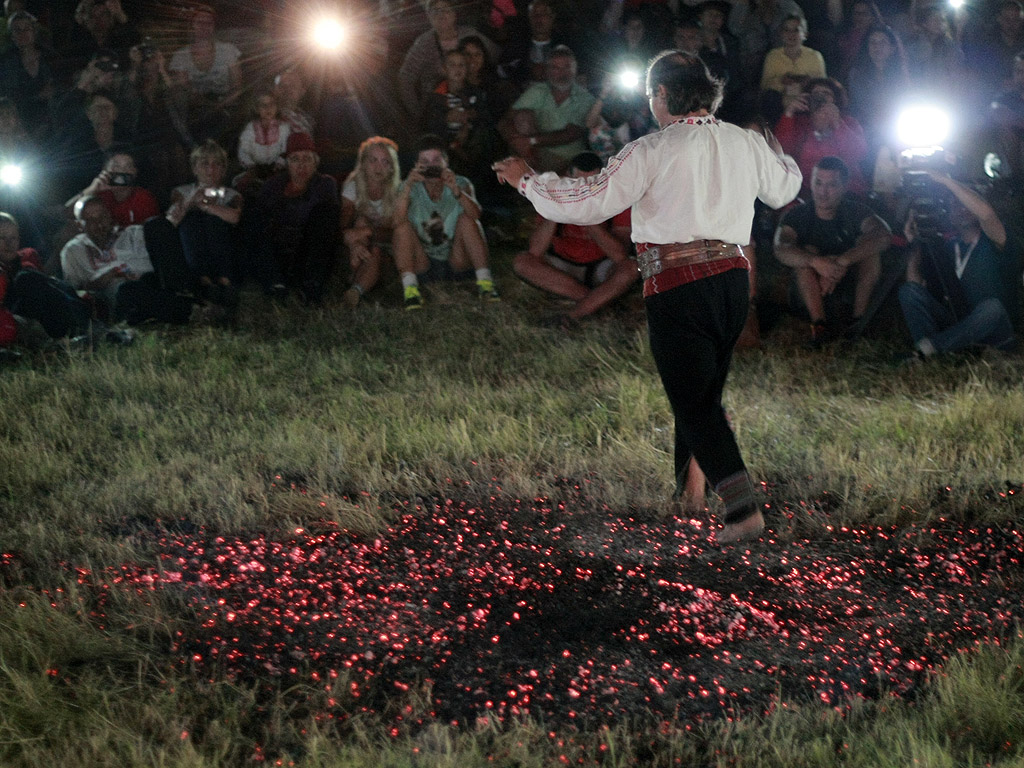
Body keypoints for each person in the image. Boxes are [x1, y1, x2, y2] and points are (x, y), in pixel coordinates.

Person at [493, 51, 802, 543]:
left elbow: (587, 199)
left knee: (694, 400)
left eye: (650, 95)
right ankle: (690, 495)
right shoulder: (743, 142)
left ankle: (742, 509)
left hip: (680, 286)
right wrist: (775, 148)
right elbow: (786, 188)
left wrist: (526, 180)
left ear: (660, 95)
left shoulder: (652, 150)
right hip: (730, 284)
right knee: (702, 394)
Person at [898, 169, 1020, 359]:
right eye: (954, 205)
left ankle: (927, 351)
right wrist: (915, 243)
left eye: (965, 204)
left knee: (992, 308)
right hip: (959, 324)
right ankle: (931, 353)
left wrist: (947, 181)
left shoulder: (995, 241)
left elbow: (987, 215)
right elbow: (915, 283)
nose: (961, 209)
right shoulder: (947, 247)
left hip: (995, 329)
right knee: (908, 291)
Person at [774, 156, 892, 345]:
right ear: (810, 183)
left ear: (845, 186)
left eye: (831, 185)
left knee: (870, 252)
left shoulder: (855, 211)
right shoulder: (797, 215)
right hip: (807, 292)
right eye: (818, 183)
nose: (823, 192)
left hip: (848, 288)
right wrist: (817, 262)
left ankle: (858, 323)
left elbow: (883, 235)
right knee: (805, 254)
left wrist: (841, 262)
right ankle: (820, 326)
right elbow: (781, 248)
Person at [512, 151, 636, 320]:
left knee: (630, 268)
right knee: (522, 262)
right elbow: (535, 250)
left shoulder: (616, 199)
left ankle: (575, 314)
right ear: (568, 177)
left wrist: (584, 214)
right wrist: (558, 207)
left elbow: (620, 255)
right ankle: (594, 301)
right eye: (578, 182)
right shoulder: (554, 192)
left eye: (590, 183)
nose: (583, 187)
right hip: (563, 268)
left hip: (600, 267)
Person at [394, 133, 498, 310]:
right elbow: (396, 222)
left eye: (436, 160)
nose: (431, 166)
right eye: (425, 162)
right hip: (423, 263)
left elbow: (476, 215)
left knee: (467, 218)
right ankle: (410, 291)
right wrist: (408, 188)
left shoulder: (461, 183)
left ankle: (485, 284)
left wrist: (456, 190)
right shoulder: (409, 187)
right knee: (402, 228)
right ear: (416, 166)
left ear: (446, 162)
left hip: (456, 261)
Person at [60, 194, 194, 324]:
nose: (99, 224)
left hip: (149, 283)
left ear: (109, 215)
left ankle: (183, 295)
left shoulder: (132, 234)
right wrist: (101, 280)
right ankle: (189, 308)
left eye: (103, 217)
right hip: (116, 298)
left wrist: (119, 269)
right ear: (79, 225)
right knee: (128, 290)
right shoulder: (72, 251)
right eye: (91, 220)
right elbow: (73, 292)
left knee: (155, 225)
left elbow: (160, 262)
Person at [249, 132, 340, 304]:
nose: (301, 165)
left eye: (307, 159)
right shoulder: (274, 185)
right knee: (255, 215)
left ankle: (311, 284)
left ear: (315, 162)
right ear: (288, 163)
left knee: (325, 213)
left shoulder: (324, 184)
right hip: (278, 250)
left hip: (306, 251)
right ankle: (274, 282)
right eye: (295, 159)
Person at [165, 139, 241, 311]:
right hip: (192, 247)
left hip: (222, 247)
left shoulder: (231, 194)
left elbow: (234, 217)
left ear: (223, 169)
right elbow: (171, 220)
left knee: (214, 221)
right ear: (195, 168)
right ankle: (203, 281)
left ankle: (225, 281)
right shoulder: (181, 191)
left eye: (217, 165)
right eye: (205, 164)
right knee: (191, 221)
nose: (210, 170)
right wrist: (192, 200)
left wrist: (206, 206)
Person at [498, 45, 596, 174]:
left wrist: (531, 141)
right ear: (547, 70)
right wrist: (516, 140)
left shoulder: (585, 98)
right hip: (536, 154)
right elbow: (505, 121)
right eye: (555, 68)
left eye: (567, 67)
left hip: (571, 160)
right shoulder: (538, 91)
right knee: (522, 116)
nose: (562, 73)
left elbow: (571, 134)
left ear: (575, 69)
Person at [340, 136, 402, 308]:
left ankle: (356, 284)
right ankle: (355, 291)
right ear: (364, 164)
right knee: (360, 220)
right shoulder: (353, 186)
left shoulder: (398, 191)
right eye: (373, 160)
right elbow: (343, 227)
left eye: (385, 162)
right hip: (360, 249)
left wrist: (367, 232)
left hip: (388, 252)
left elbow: (397, 233)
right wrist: (354, 244)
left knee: (372, 244)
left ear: (391, 168)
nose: (378, 167)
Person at [64, 148, 159, 227]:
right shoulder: (99, 194)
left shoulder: (144, 199)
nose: (122, 171)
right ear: (105, 170)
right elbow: (67, 212)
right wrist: (91, 189)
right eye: (116, 166)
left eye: (128, 166)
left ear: (135, 172)